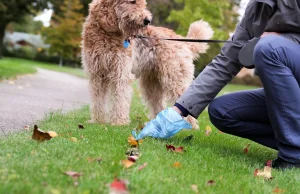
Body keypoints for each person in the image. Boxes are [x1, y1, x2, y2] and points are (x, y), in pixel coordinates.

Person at [133, 0, 300, 170]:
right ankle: (292, 138)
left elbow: (270, 47)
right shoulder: (257, 8)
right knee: (222, 111)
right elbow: (226, 61)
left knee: (269, 48)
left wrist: (284, 39)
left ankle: (293, 155)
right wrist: (177, 112)